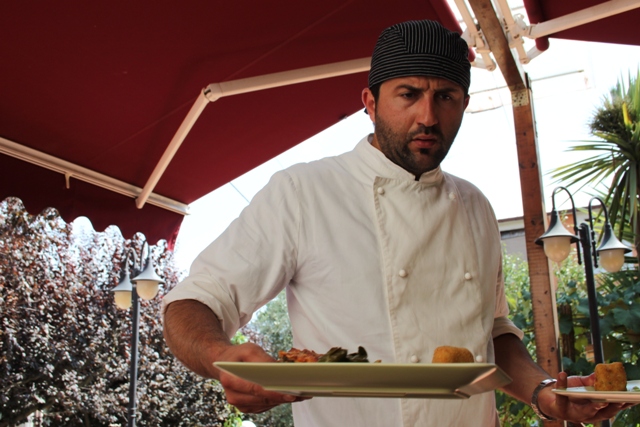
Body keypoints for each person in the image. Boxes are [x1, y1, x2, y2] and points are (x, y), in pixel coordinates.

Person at [163, 20, 631, 426]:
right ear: (370, 102)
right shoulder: (303, 192)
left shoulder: (475, 205)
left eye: (445, 97)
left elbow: (491, 330)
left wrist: (544, 393)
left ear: (464, 104)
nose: (427, 116)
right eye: (408, 94)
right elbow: (194, 301)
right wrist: (221, 357)